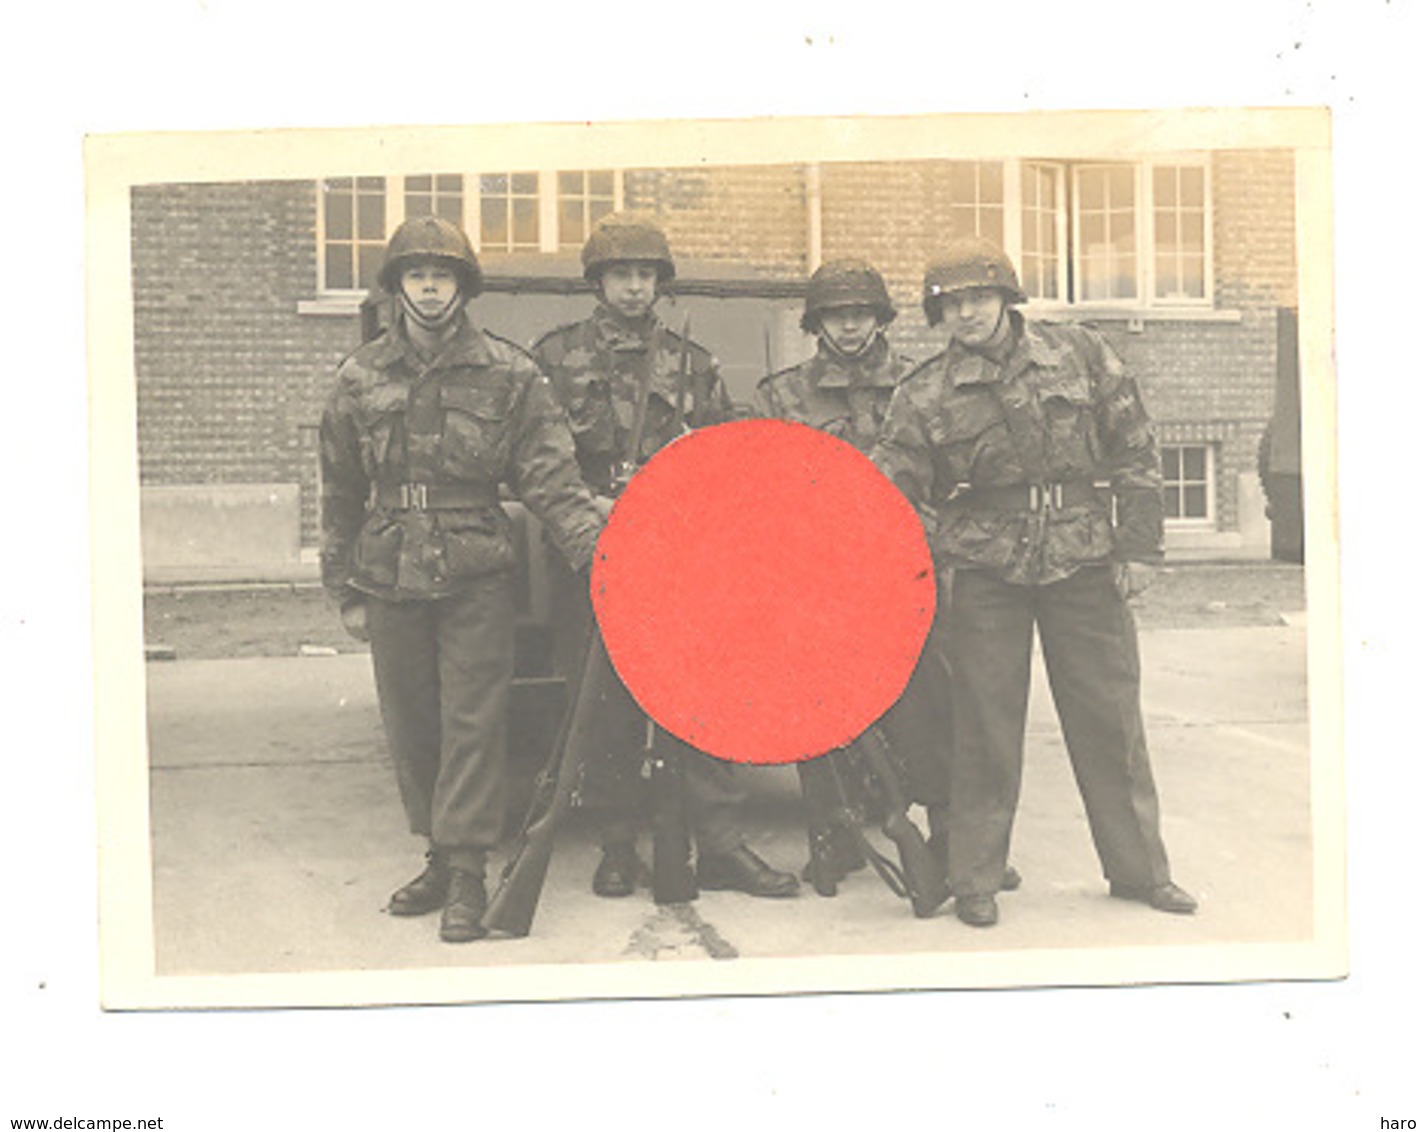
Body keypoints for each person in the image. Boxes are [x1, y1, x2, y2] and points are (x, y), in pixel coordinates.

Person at [872, 236, 1197, 928]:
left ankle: (1142, 871)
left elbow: (1134, 445)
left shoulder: (1080, 353)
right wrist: (936, 556)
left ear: (1007, 297)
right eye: (951, 304)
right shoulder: (923, 390)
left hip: (1082, 554)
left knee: (1110, 721)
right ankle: (976, 878)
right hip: (985, 569)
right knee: (985, 725)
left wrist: (1138, 548)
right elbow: (893, 490)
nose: (966, 314)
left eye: (978, 298)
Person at [319, 216, 606, 943]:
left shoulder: (510, 373)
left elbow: (551, 479)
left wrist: (598, 556)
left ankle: (472, 872)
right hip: (388, 573)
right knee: (414, 726)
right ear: (397, 288)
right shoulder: (359, 377)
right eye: (416, 276)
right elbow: (339, 490)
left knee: (474, 723)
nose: (430, 288)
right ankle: (440, 859)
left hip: (477, 571)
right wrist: (344, 587)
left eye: (442, 276)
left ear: (462, 286)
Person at [532, 214, 799, 901]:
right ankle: (617, 844)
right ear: (598, 282)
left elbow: (724, 462)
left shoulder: (692, 363)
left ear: (659, 284)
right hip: (592, 548)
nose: (632, 287)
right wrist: (587, 517)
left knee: (700, 700)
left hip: (679, 557)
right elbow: (536, 458)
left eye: (644, 275)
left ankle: (720, 842)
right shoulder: (554, 359)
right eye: (620, 274)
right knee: (604, 710)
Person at [756, 258, 1020, 899]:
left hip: (908, 566)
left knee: (928, 706)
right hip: (819, 571)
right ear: (816, 324)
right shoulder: (780, 395)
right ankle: (832, 835)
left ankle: (950, 836)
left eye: (861, 314)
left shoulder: (922, 384)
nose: (849, 327)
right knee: (822, 705)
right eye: (836, 316)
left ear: (880, 319)